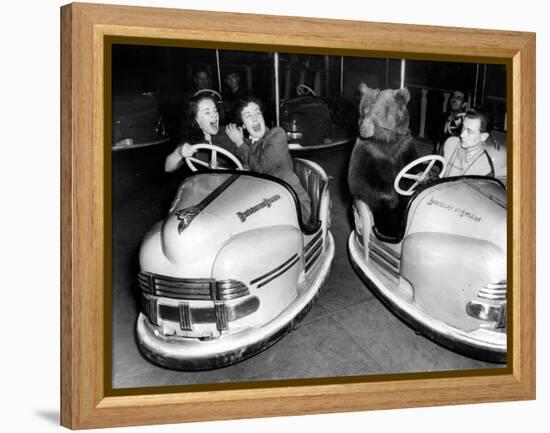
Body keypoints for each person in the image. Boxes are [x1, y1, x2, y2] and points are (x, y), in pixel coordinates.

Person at [225, 97, 312, 224]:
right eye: (248, 115)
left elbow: (260, 168)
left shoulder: (277, 134)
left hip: (293, 204)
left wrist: (239, 142)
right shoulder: (249, 145)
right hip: (267, 202)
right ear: (243, 125)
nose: (255, 118)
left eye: (257, 113)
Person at [165, 94, 237, 172]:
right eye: (207, 112)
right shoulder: (191, 141)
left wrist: (239, 141)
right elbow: (168, 168)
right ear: (196, 119)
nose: (215, 115)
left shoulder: (229, 132)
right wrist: (178, 152)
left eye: (215, 110)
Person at [441, 107, 495, 177]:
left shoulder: (485, 169)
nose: (462, 135)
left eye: (469, 131)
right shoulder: (449, 143)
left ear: (483, 136)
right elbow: (436, 167)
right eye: (463, 127)